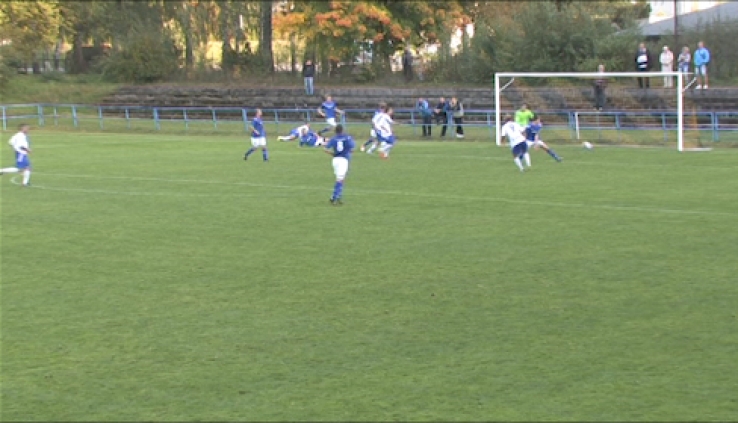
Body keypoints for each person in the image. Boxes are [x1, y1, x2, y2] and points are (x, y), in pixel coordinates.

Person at [323, 124, 355, 205]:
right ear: (342, 130)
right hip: (343, 160)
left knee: (341, 178)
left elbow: (325, 149)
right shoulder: (347, 137)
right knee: (340, 179)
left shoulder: (333, 138)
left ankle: (339, 197)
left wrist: (333, 154)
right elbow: (352, 148)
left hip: (335, 160)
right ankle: (334, 197)